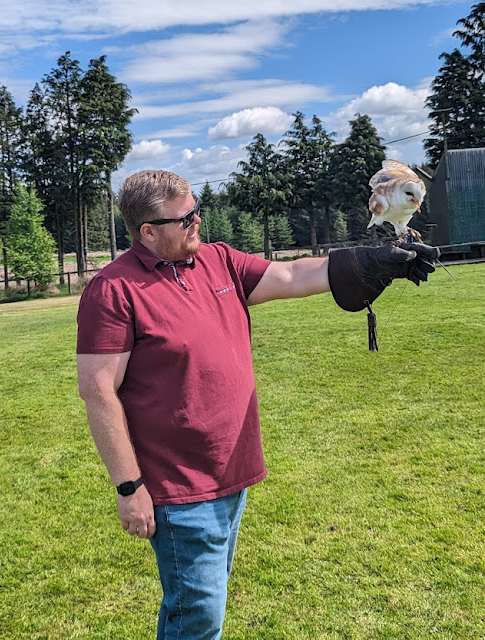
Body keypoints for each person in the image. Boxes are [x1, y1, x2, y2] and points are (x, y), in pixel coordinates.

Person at [76, 170, 439, 639]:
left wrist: (371, 260)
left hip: (233, 472)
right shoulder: (112, 291)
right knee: (199, 617)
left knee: (196, 608)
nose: (197, 222)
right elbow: (98, 392)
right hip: (179, 488)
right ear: (147, 231)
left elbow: (289, 273)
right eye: (184, 218)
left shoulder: (217, 261)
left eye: (196, 210)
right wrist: (130, 488)